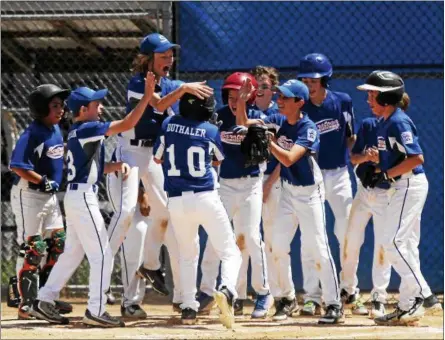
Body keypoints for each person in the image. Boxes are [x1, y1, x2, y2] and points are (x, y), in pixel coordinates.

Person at [31, 73, 155, 327]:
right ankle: (95, 309)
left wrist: (114, 165)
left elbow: (91, 166)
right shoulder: (87, 128)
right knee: (103, 255)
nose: (101, 108)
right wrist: (146, 98)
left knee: (73, 254)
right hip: (83, 198)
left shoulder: (79, 132)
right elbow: (128, 122)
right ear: (84, 110)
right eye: (96, 104)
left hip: (77, 196)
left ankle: (44, 299)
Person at [106, 33, 213, 310]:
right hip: (129, 153)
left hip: (153, 156)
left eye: (171, 55)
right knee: (127, 217)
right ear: (147, 59)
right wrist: (184, 89)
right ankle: (106, 290)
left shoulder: (170, 83)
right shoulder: (136, 83)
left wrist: (193, 93)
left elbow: (181, 101)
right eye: (163, 55)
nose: (169, 59)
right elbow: (159, 104)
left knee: (166, 213)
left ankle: (151, 265)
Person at [236, 78, 343, 324]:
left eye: (285, 97)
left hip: (309, 193)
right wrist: (242, 102)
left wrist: (269, 141)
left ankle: (334, 303)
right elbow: (243, 122)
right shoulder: (280, 120)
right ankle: (286, 298)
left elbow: (288, 159)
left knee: (318, 247)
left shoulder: (308, 128)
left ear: (299, 102)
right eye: (279, 96)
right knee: (276, 245)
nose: (279, 100)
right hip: (286, 192)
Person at [356, 70, 441, 326]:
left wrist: (387, 174)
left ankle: (421, 296)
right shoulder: (384, 122)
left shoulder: (398, 122)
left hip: (408, 185)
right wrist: (380, 169)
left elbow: (417, 159)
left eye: (373, 94)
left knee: (392, 243)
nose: (369, 98)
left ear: (386, 97)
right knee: (404, 245)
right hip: (401, 185)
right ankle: (407, 305)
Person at [154, 93, 242, 327]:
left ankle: (188, 306)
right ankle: (227, 289)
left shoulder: (169, 124)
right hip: (205, 196)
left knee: (187, 253)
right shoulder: (210, 130)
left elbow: (157, 158)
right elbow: (219, 159)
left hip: (176, 200)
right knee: (230, 251)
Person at [198, 72, 272, 319]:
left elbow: (243, 121)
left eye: (239, 94)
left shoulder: (259, 116)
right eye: (231, 94)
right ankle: (207, 291)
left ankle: (263, 293)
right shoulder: (217, 115)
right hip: (225, 185)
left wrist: (242, 102)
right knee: (214, 238)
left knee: (251, 237)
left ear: (250, 95)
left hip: (251, 184)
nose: (234, 99)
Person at [297, 53, 363, 315]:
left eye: (314, 79)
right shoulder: (299, 106)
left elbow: (350, 136)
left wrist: (354, 164)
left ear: (325, 79)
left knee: (347, 233)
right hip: (311, 176)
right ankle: (312, 296)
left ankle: (349, 290)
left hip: (338, 175)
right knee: (310, 236)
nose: (309, 83)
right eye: (305, 78)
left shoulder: (342, 102)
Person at [9, 84, 71, 319]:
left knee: (58, 242)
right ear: (40, 108)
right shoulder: (32, 132)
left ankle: (44, 297)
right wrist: (42, 180)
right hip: (30, 195)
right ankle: (26, 304)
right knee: (34, 248)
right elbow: (17, 165)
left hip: (49, 196)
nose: (61, 109)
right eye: (55, 106)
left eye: (62, 105)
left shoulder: (55, 129)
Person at [339, 116, 391, 318]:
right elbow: (353, 157)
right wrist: (367, 157)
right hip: (363, 191)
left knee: (382, 246)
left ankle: (379, 298)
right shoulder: (368, 124)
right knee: (351, 241)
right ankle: (348, 290)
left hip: (385, 193)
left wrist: (381, 159)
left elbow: (401, 160)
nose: (370, 101)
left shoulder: (397, 125)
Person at [106, 157, 150, 319]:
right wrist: (143, 194)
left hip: (153, 178)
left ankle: (183, 298)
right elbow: (132, 158)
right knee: (135, 231)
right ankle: (129, 300)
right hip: (125, 171)